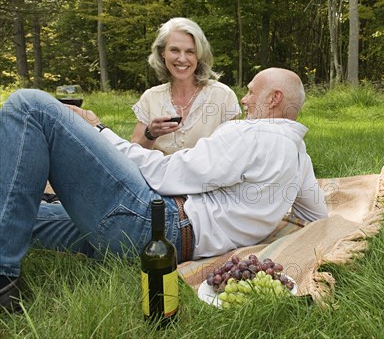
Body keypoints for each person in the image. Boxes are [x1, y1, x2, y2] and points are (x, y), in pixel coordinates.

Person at [0, 68, 328, 312]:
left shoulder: (252, 134)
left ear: (274, 98)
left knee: (29, 105)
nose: (244, 98)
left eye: (252, 91)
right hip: (157, 240)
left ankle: (4, 278)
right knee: (27, 214)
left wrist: (98, 130)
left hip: (149, 225)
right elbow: (317, 215)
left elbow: (162, 175)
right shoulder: (299, 157)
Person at [131, 17, 241, 154]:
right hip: (162, 174)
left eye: (190, 52)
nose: (182, 59)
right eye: (174, 50)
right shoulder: (150, 97)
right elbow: (133, 153)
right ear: (162, 53)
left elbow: (235, 151)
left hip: (208, 175)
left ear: (199, 55)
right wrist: (150, 133)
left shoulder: (223, 95)